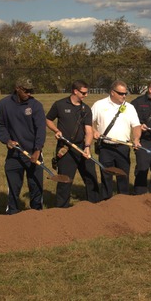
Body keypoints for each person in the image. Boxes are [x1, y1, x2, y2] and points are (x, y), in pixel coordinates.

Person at [0, 77, 46, 215]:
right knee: (14, 187)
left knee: (36, 186)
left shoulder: (35, 105)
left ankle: (37, 213)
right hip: (14, 154)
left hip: (33, 153)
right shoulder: (4, 104)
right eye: (26, 91)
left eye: (31, 91)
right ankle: (13, 214)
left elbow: (41, 129)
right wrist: (7, 140)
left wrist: (37, 150)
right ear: (17, 89)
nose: (29, 93)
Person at [46, 80, 100, 208]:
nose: (86, 95)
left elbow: (88, 130)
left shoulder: (85, 109)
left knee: (91, 176)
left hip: (81, 147)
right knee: (65, 180)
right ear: (75, 91)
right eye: (83, 93)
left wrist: (87, 147)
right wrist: (56, 130)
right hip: (65, 148)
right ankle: (62, 209)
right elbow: (48, 119)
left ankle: (95, 206)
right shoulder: (59, 105)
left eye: (87, 93)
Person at [92, 80, 141, 198]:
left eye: (125, 93)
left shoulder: (130, 107)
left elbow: (136, 126)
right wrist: (94, 131)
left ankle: (123, 201)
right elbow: (89, 121)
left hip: (123, 147)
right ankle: (106, 201)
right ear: (112, 92)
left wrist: (136, 139)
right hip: (105, 147)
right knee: (106, 176)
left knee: (123, 176)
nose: (124, 96)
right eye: (120, 93)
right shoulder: (99, 105)